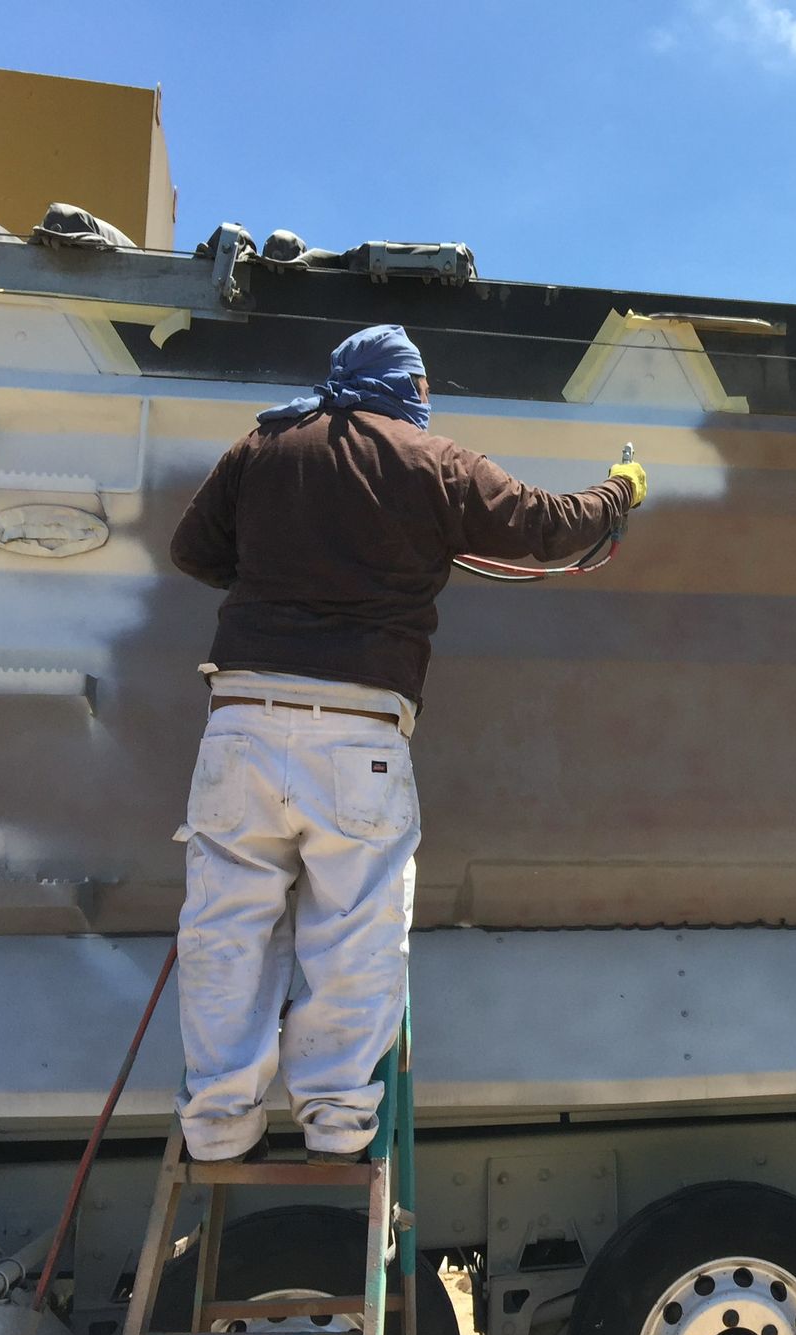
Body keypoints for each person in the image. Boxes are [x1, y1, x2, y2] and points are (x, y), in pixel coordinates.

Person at [168, 323, 645, 1162]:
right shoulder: (434, 463)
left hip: (242, 721)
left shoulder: (264, 445)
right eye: (422, 388)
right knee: (354, 933)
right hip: (358, 731)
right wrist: (620, 491)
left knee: (227, 928)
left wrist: (283, 572)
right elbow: (548, 527)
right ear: (406, 387)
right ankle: (338, 1123)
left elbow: (193, 551)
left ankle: (216, 1127)